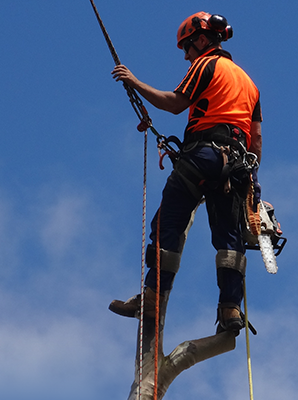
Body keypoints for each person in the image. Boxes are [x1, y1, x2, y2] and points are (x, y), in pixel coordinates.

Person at [108, 11, 263, 335]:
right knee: (228, 237)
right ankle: (230, 308)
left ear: (203, 40)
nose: (185, 55)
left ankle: (152, 299)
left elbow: (176, 103)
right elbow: (256, 139)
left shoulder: (206, 65)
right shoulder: (250, 84)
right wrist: (251, 183)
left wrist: (134, 81)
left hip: (204, 155)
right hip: (236, 167)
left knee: (168, 226)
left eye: (187, 47)